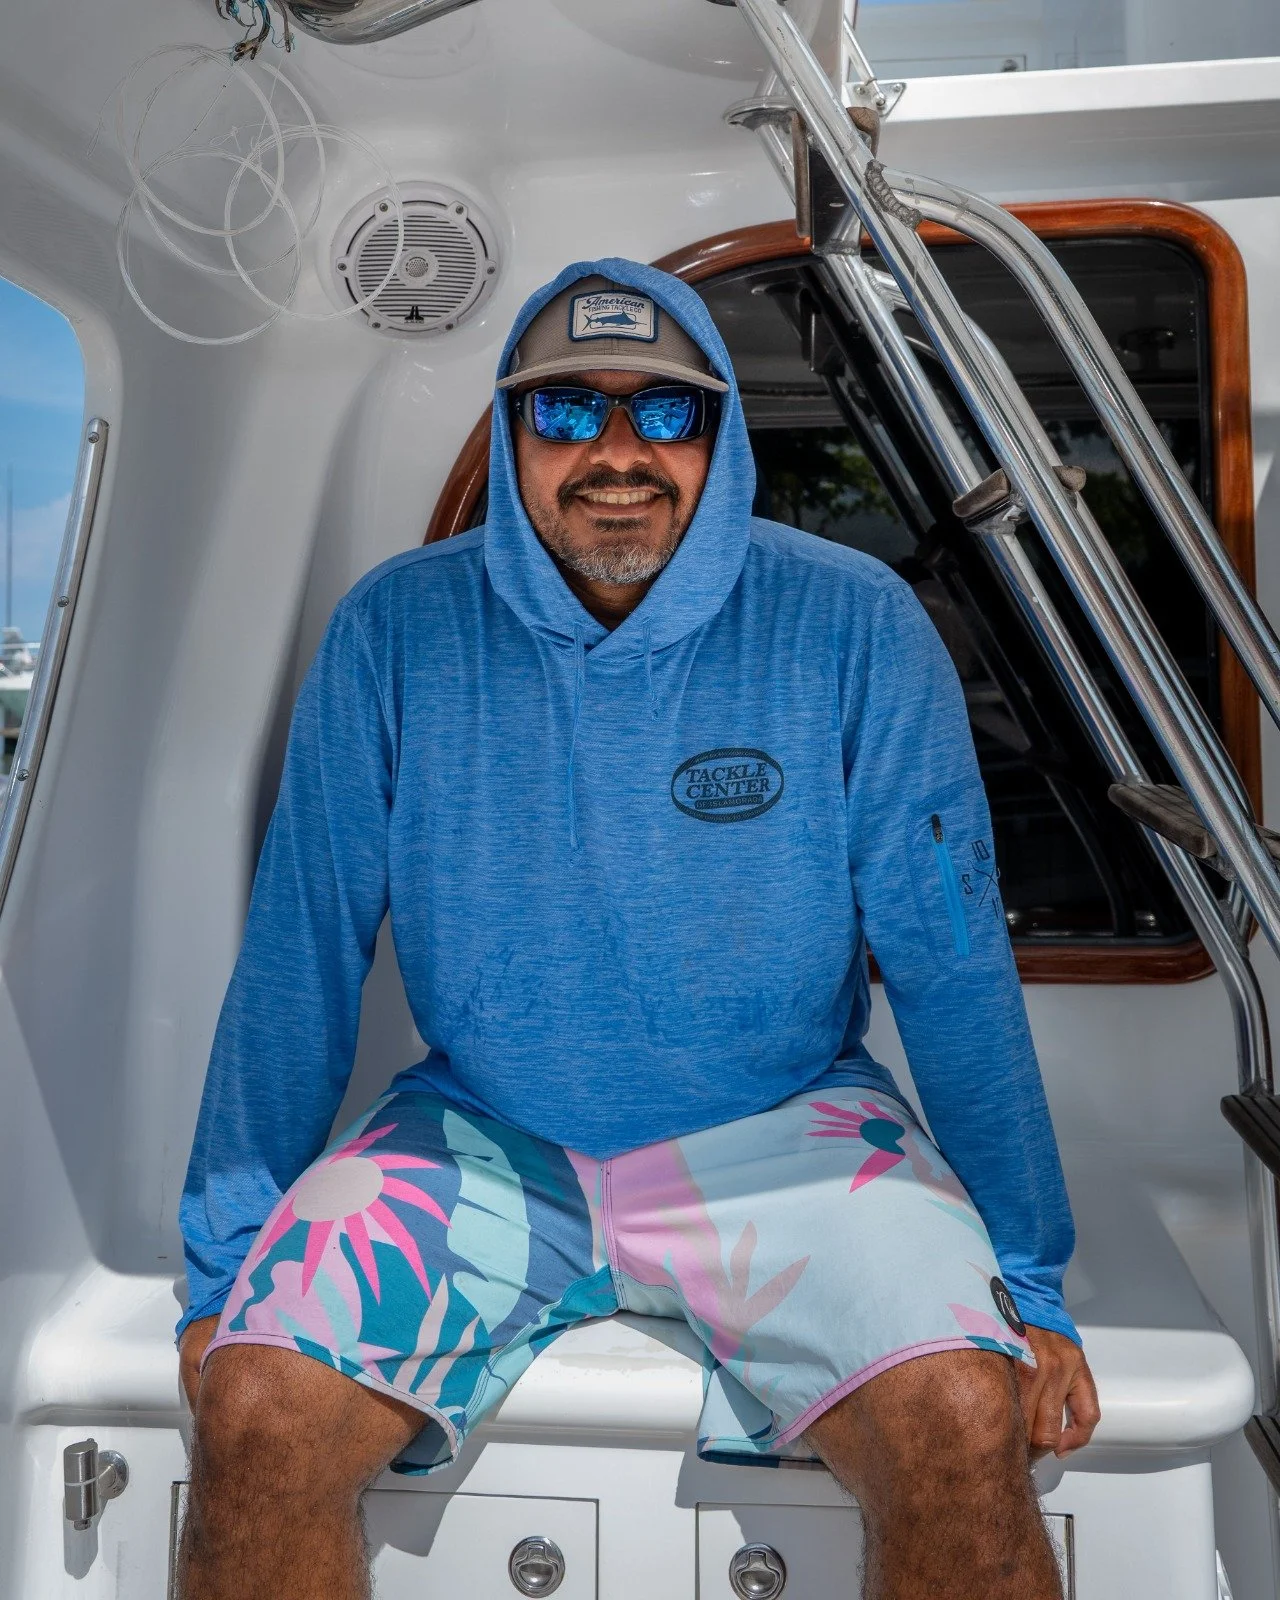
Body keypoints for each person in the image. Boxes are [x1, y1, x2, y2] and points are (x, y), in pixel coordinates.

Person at [175, 260, 1099, 1600]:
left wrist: (1032, 1274)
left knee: (965, 1416)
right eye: (568, 413)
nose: (617, 454)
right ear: (510, 435)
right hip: (483, 1135)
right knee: (252, 1408)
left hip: (789, 1130)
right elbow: (298, 955)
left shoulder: (850, 626)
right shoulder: (394, 630)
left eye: (664, 415)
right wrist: (223, 1266)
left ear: (718, 433)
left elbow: (951, 962)